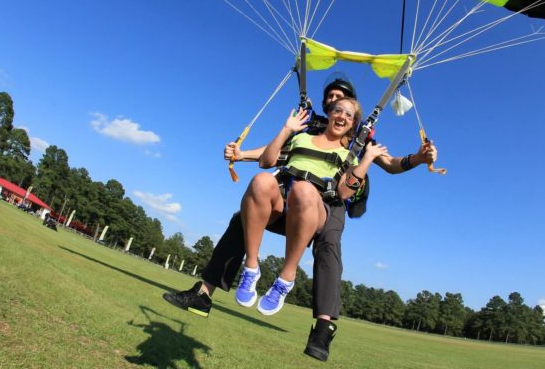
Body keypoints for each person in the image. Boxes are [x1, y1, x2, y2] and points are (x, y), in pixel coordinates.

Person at [163, 76, 437, 361]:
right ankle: (204, 294)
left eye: (342, 99)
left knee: (329, 241)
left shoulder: (360, 140)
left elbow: (391, 164)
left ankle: (322, 327)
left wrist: (418, 158)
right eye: (331, 98)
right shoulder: (306, 127)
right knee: (243, 215)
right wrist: (241, 154)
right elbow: (276, 155)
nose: (336, 103)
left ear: (353, 111)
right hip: (286, 194)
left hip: (328, 199)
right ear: (326, 106)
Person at [237, 97, 386, 316]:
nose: (342, 116)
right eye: (338, 110)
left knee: (304, 189)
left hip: (316, 211)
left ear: (353, 123)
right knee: (261, 180)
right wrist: (287, 130)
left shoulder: (349, 156)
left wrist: (366, 160)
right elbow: (266, 162)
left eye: (348, 114)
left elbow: (345, 192)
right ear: (329, 113)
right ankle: (250, 268)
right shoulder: (303, 138)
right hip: (282, 203)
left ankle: (286, 277)